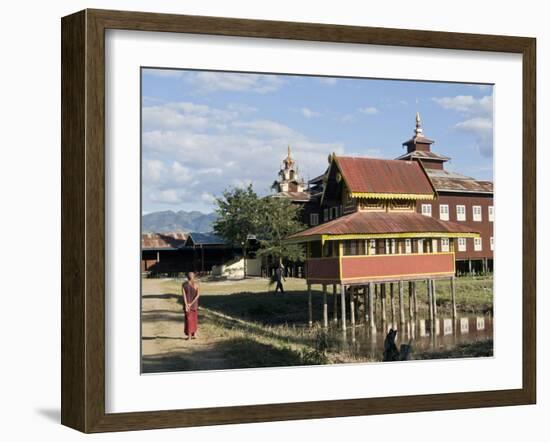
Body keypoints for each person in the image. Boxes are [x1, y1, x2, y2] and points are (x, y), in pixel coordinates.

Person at [182, 272, 200, 340]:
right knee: (194, 320)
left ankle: (189, 336)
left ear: (187, 277)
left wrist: (187, 304)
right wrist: (191, 303)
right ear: (194, 277)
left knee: (188, 320)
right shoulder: (196, 284)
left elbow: (184, 296)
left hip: (187, 305)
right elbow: (197, 295)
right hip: (194, 305)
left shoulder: (184, 285)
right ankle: (194, 334)